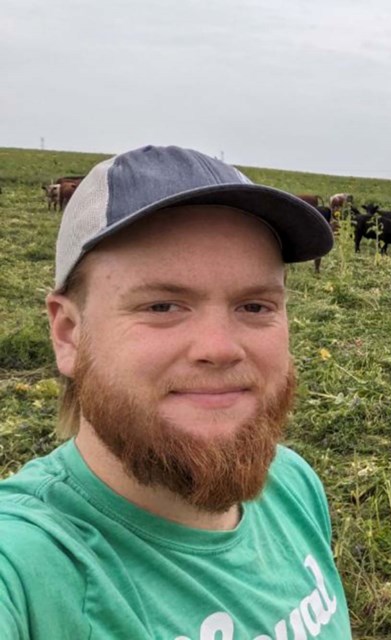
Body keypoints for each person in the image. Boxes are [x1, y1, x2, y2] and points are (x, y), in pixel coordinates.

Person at [0, 145, 352, 639]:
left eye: (254, 306)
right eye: (163, 306)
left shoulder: (292, 485)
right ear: (68, 333)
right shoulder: (26, 565)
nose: (220, 348)